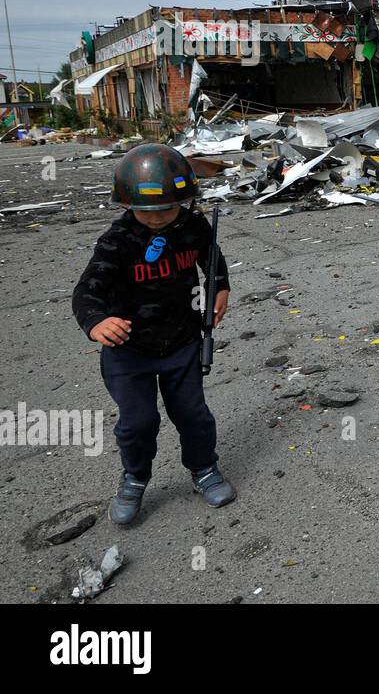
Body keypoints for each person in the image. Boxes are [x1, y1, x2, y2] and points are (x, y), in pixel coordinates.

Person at [72, 143, 234, 525]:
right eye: (148, 210)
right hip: (129, 353)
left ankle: (204, 469)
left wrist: (221, 287)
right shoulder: (117, 241)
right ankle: (135, 478)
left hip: (182, 342)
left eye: (167, 207)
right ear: (128, 205)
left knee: (193, 415)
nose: (159, 217)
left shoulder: (194, 225)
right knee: (138, 422)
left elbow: (212, 259)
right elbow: (86, 292)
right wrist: (96, 323)